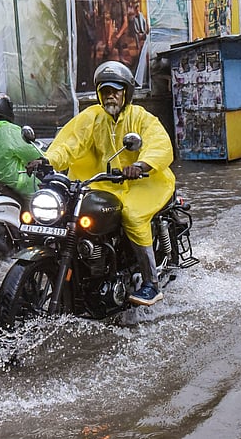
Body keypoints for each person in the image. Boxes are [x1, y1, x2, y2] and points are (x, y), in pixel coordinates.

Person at [29, 61, 175, 306]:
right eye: (105, 90)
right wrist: (46, 160)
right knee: (67, 210)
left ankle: (151, 283)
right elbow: (69, 143)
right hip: (103, 182)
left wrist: (140, 165)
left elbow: (159, 144)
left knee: (132, 214)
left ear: (126, 92)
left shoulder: (141, 118)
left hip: (144, 181)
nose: (110, 95)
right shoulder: (92, 117)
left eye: (116, 90)